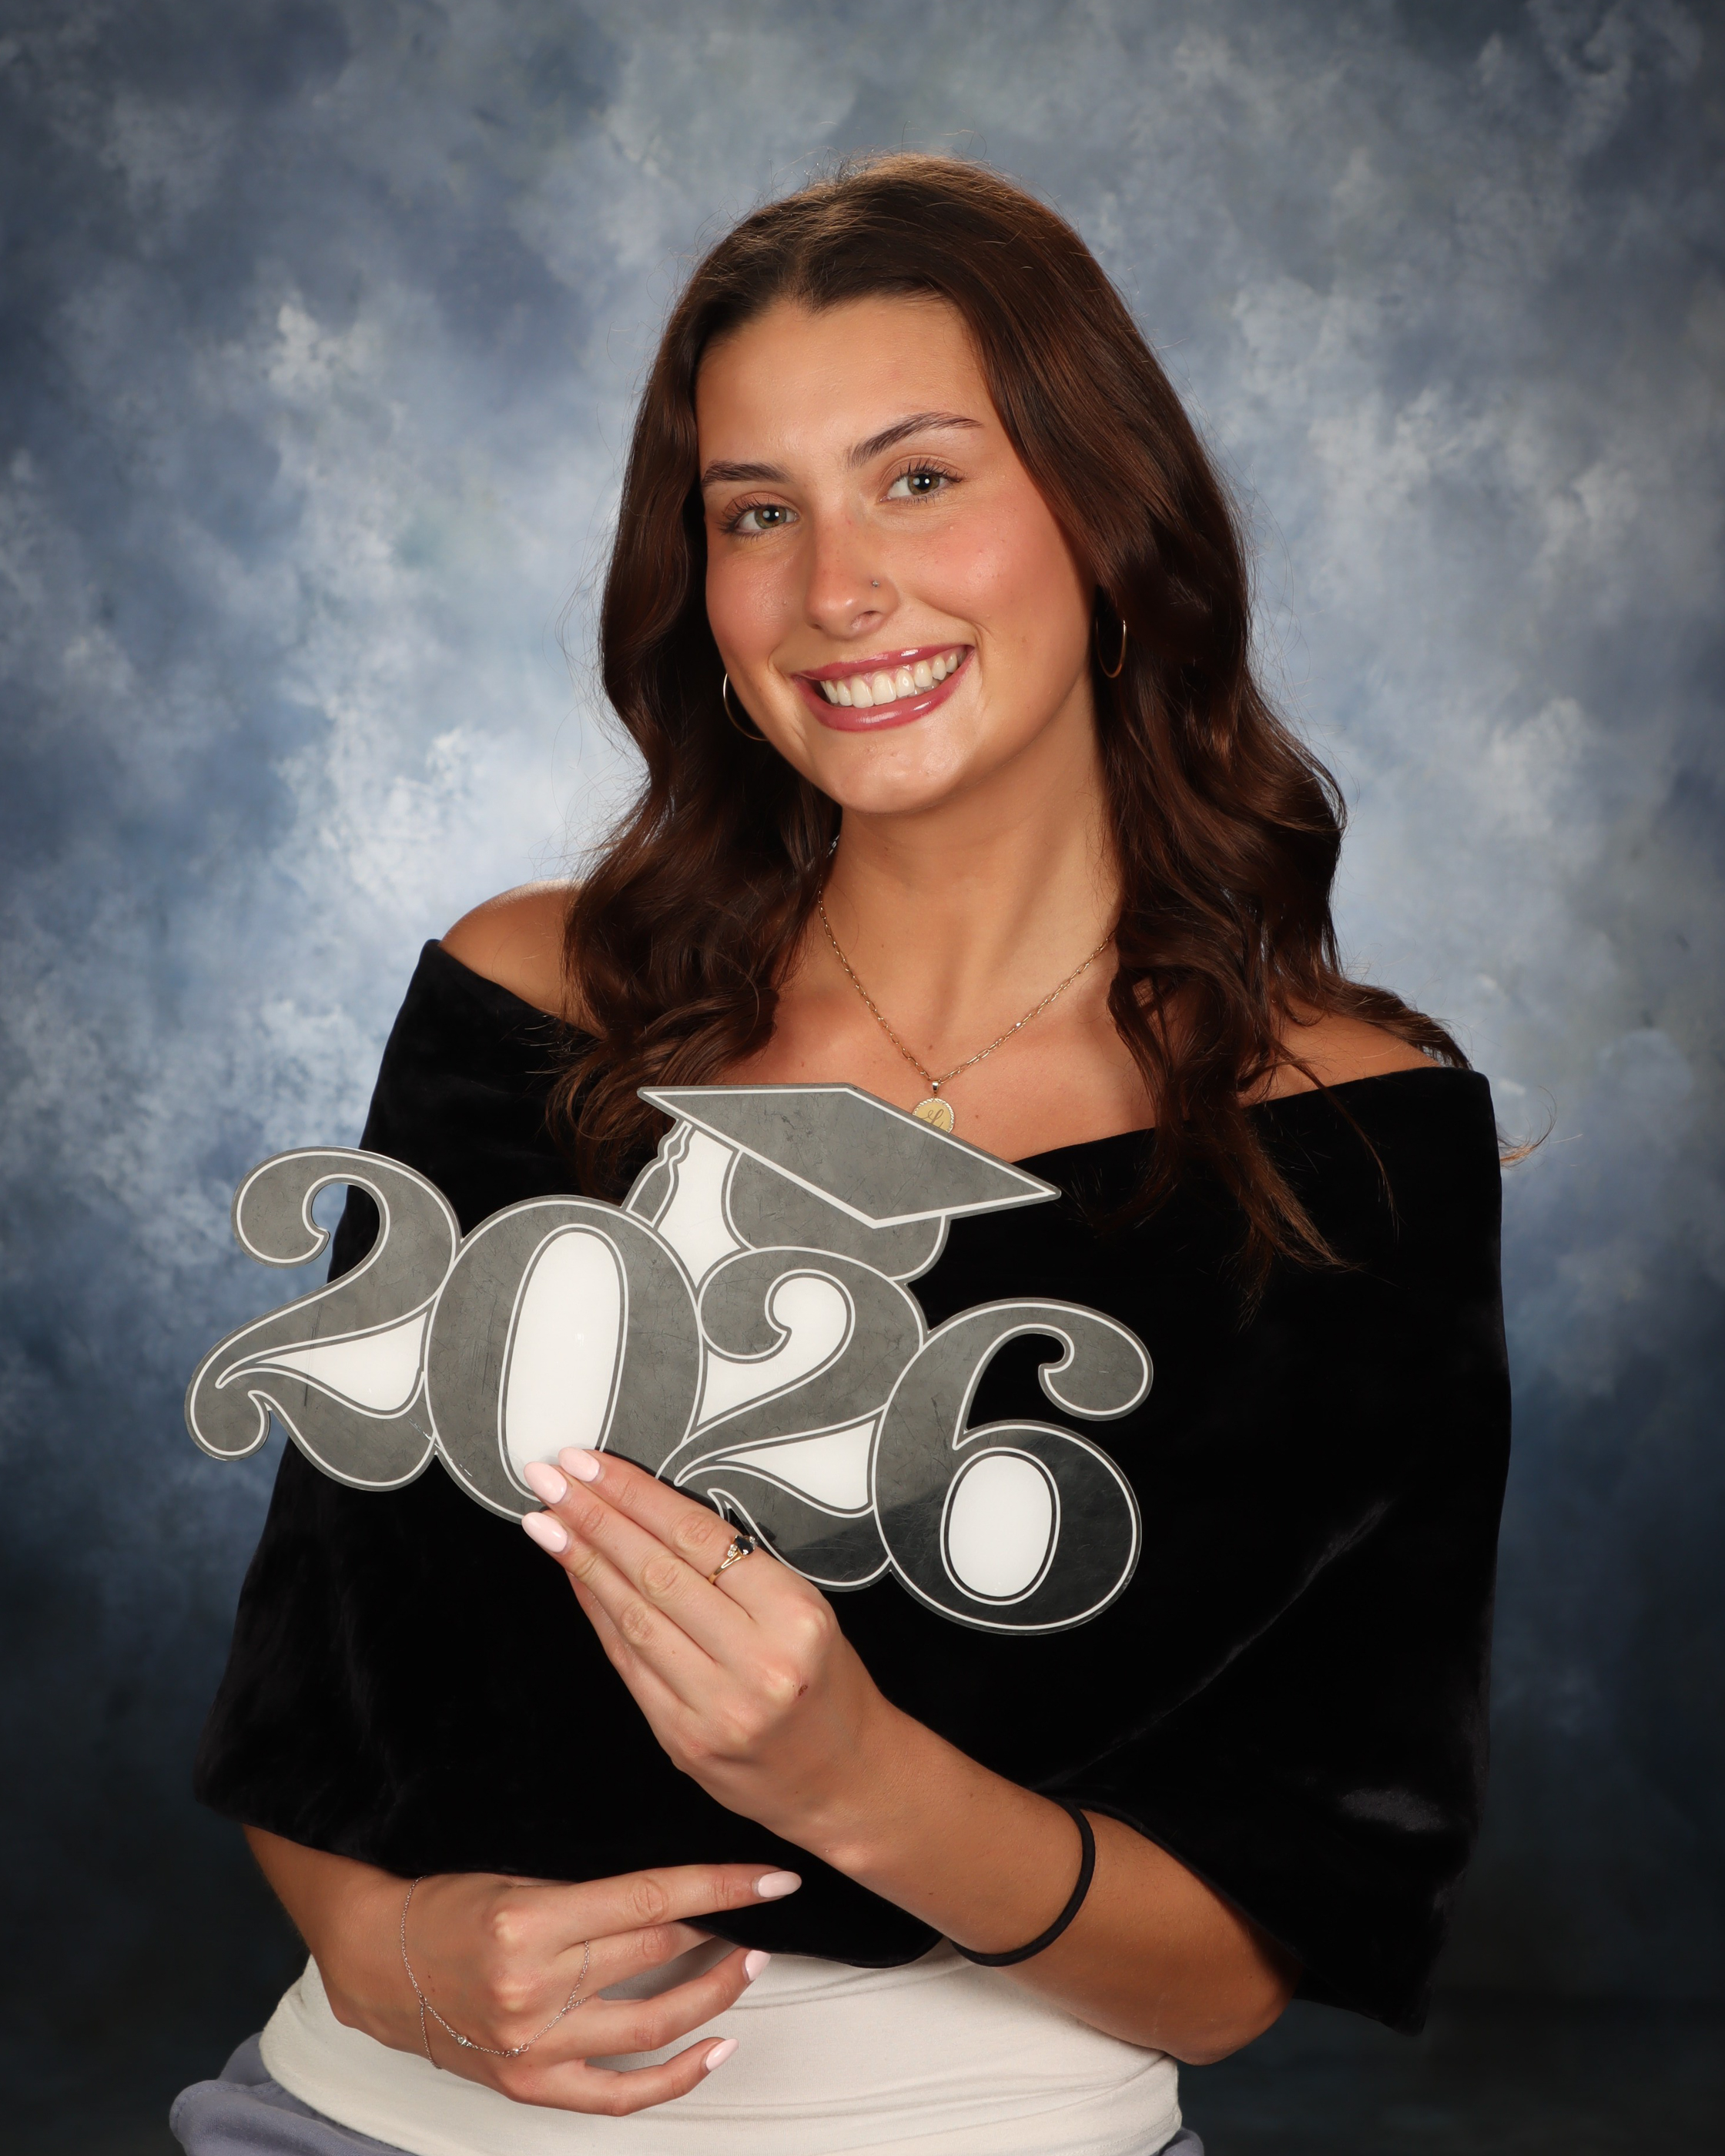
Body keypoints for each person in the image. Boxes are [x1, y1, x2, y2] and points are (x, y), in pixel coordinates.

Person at [173, 155, 1511, 2156]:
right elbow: (313, 1704)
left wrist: (856, 1780)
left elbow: (1253, 1955)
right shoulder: (523, 999)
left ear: (1110, 520)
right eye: (756, 513)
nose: (834, 591)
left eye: (918, 479)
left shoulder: (1352, 1145)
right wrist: (396, 1961)